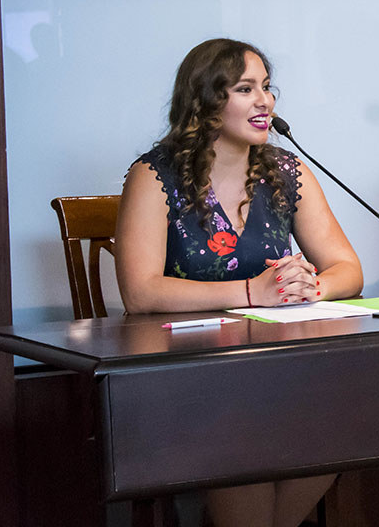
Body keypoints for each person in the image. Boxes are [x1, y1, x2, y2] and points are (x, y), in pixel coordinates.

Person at [115, 38, 363, 527]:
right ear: (206, 102)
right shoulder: (154, 175)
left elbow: (347, 270)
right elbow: (141, 292)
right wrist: (252, 293)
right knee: (244, 433)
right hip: (189, 369)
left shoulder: (286, 172)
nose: (265, 101)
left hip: (278, 361)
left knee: (351, 423)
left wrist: (306, 287)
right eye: (246, 89)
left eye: (267, 88)